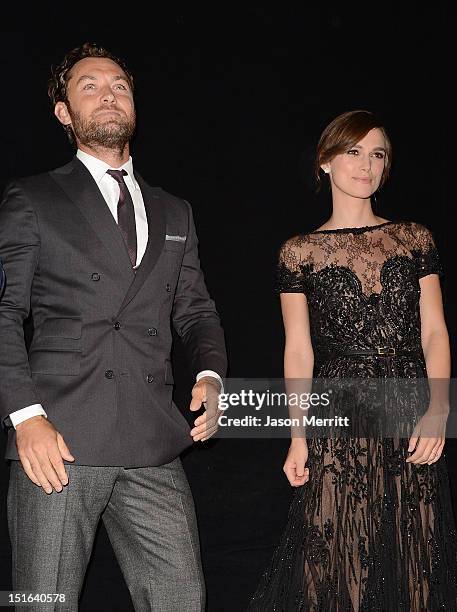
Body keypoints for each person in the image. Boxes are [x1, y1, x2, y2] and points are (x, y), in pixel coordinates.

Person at [0, 42, 227, 612]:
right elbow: (5, 312)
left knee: (182, 600)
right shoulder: (31, 198)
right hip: (58, 443)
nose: (109, 95)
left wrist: (210, 374)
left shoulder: (176, 210)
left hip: (152, 441)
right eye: (90, 86)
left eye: (120, 85)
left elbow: (195, 308)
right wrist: (25, 418)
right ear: (64, 112)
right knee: (40, 602)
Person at [248, 110, 457, 610]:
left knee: (416, 553)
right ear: (325, 162)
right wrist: (296, 437)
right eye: (353, 151)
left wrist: (439, 407)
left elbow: (434, 330)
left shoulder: (415, 238)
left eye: (377, 154)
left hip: (411, 404)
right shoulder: (298, 251)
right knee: (336, 553)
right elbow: (298, 349)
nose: (366, 165)